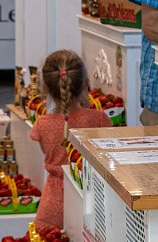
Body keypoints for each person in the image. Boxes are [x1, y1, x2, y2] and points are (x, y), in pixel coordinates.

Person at [30, 49, 110, 229]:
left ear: (46, 89)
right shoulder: (99, 119)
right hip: (90, 201)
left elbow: (48, 151)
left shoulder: (42, 124)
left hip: (53, 203)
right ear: (85, 83)